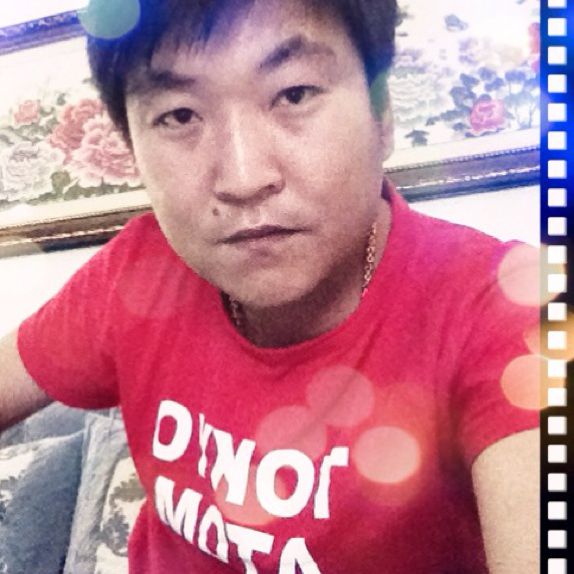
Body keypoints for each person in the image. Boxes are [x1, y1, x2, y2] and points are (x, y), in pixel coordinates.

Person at [0, 0, 541, 572]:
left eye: (294, 94)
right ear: (131, 150)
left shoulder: (503, 310)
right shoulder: (141, 272)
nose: (243, 178)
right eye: (180, 116)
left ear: (382, 112)